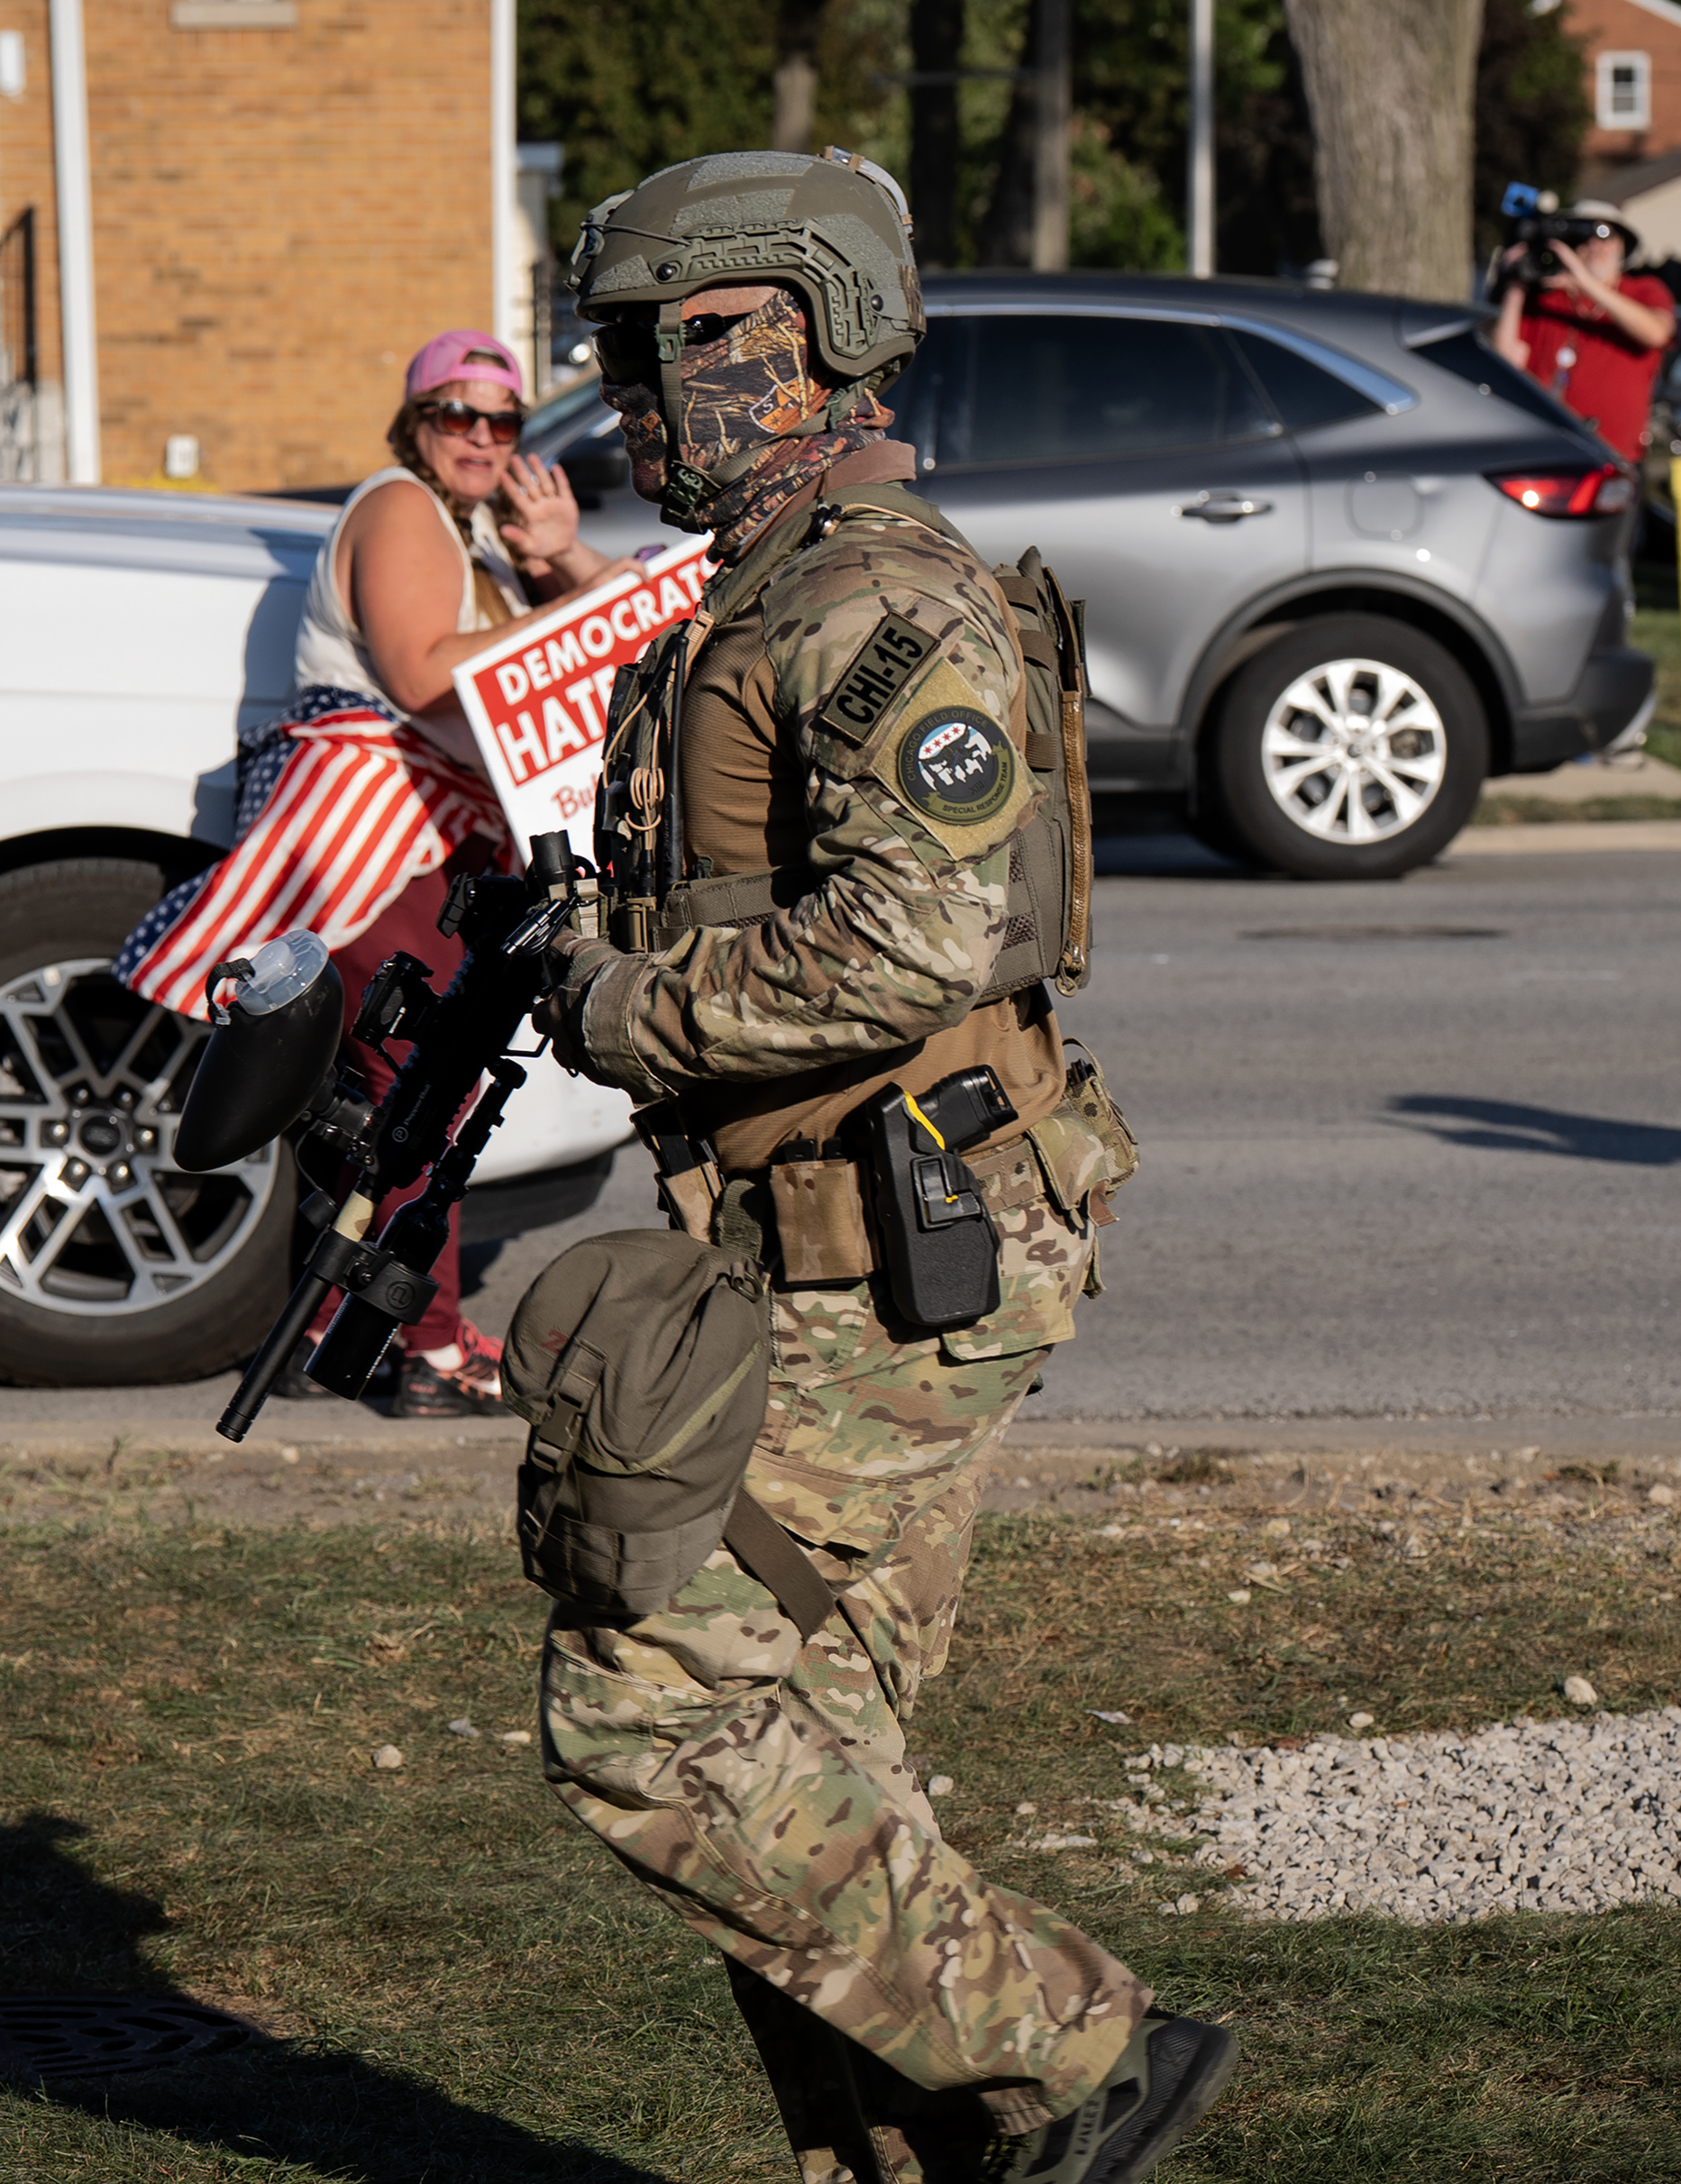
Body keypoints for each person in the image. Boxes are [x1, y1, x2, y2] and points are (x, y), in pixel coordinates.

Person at [534, 151, 1232, 2184]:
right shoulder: (757, 589)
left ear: (794, 336)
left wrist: (619, 1012)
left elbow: (915, 935)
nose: (628, 399)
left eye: (656, 351)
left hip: (902, 1248)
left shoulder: (874, 595)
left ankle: (1083, 2056)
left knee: (649, 1712)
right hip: (802, 1233)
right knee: (812, 1764)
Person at [119, 330, 614, 1416]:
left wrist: (559, 557)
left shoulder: (475, 533)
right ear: (415, 422)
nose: (482, 438)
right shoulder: (400, 504)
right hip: (372, 838)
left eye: (505, 421)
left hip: (423, 841)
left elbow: (631, 624)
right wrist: (567, 614)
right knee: (411, 1092)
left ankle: (333, 1338)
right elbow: (426, 674)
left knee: (395, 1096)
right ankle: (419, 1348)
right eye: (458, 414)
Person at [1487, 201, 1676, 461]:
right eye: (1583, 237)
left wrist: (1584, 282)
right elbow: (1505, 361)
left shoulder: (1643, 290)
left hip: (1616, 456)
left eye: (1605, 235)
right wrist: (1516, 284)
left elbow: (1656, 333)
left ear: (1622, 244)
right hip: (1546, 449)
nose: (1594, 245)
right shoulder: (1548, 298)